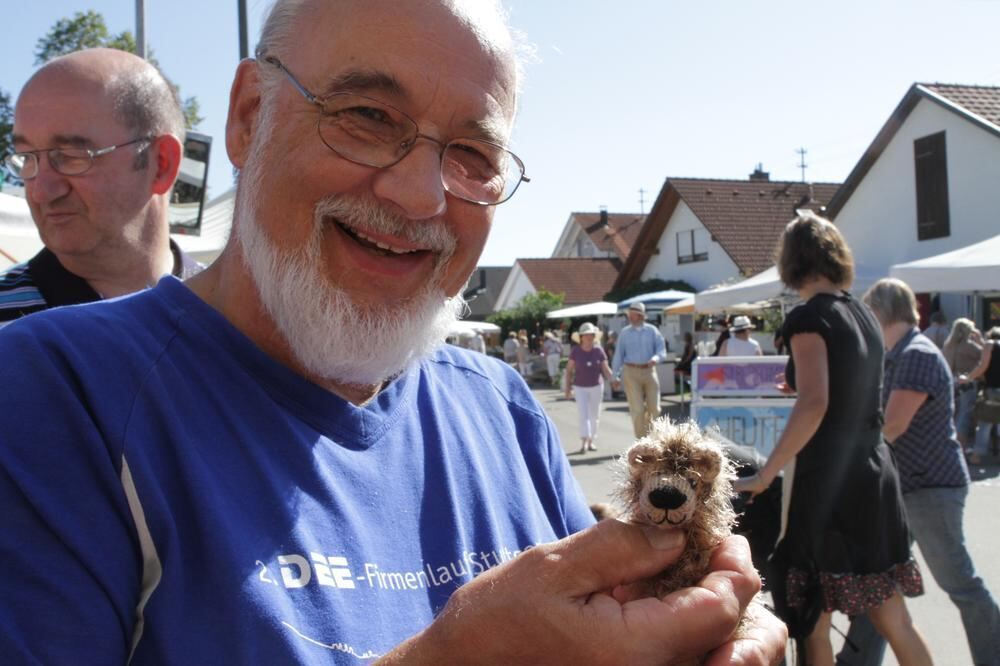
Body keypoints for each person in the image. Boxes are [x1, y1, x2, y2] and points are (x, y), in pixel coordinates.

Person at [0, 1, 784, 663]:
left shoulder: (500, 407)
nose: (419, 196)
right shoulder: (51, 392)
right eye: (369, 117)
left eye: (474, 154)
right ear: (248, 119)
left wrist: (686, 624)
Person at [735, 212, 931, 666]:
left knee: (811, 619)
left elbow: (815, 405)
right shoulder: (862, 311)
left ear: (792, 261)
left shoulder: (809, 318)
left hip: (830, 483)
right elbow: (846, 388)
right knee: (893, 618)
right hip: (874, 471)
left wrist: (765, 474)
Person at [837, 279, 1000, 666]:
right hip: (908, 489)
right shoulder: (901, 352)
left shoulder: (915, 353)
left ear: (879, 312)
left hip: (928, 488)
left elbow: (892, 426)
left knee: (958, 584)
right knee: (879, 583)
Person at [0, 48, 201, 324]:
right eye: (27, 157)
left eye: (71, 157)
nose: (41, 191)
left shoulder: (250, 319)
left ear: (161, 163)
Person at [612, 302, 667, 438]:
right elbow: (618, 355)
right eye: (629, 315)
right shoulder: (624, 333)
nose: (630, 317)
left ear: (641, 316)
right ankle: (642, 440)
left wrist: (655, 358)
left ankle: (652, 435)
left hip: (649, 371)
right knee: (638, 409)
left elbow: (661, 350)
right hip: (630, 372)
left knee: (655, 408)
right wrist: (615, 376)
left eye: (633, 315)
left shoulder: (652, 330)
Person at [564, 322, 613, 454]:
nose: (589, 337)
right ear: (581, 337)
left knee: (594, 415)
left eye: (591, 334)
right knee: (583, 414)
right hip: (580, 387)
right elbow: (569, 370)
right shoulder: (576, 351)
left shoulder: (598, 350)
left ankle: (591, 440)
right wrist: (567, 388)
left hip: (596, 386)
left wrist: (614, 379)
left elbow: (605, 368)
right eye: (586, 335)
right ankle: (584, 441)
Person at [960, 326, 1000, 465]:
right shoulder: (992, 346)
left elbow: (983, 365)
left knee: (985, 422)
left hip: (993, 389)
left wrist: (968, 377)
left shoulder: (990, 345)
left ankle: (976, 455)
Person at [942, 318, 983, 448]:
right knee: (965, 413)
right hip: (968, 381)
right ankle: (961, 442)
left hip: (954, 381)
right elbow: (987, 356)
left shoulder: (949, 345)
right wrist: (980, 340)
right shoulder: (969, 346)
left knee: (958, 412)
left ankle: (957, 440)